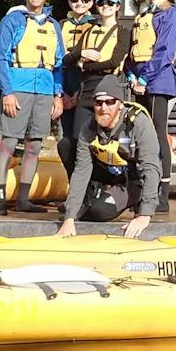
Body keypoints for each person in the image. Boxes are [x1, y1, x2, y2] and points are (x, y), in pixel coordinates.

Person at [0, 0, 63, 215]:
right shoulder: (12, 20)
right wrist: (7, 93)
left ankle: (23, 199)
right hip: (18, 88)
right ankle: (0, 200)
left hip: (44, 88)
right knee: (8, 143)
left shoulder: (54, 25)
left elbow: (59, 63)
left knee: (34, 145)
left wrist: (57, 94)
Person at [56, 75, 162, 239]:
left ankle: (129, 201)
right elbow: (81, 171)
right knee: (66, 145)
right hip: (108, 171)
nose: (103, 108)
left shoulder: (138, 122)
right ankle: (84, 201)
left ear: (119, 105)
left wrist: (145, 215)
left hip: (131, 180)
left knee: (99, 211)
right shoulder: (89, 127)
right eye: (98, 103)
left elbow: (151, 167)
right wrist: (69, 217)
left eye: (109, 102)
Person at [125, 0, 176, 213]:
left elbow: (163, 51)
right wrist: (130, 74)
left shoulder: (171, 14)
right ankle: (141, 191)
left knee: (157, 134)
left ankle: (162, 194)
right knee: (139, 137)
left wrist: (143, 78)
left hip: (157, 82)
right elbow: (132, 50)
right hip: (138, 82)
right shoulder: (143, 15)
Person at [58, 0, 129, 174]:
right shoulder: (89, 30)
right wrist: (81, 54)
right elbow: (67, 58)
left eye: (110, 3)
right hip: (87, 90)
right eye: (101, 3)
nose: (105, 6)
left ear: (117, 6)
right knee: (76, 141)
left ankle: (107, 183)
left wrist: (85, 65)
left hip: (108, 87)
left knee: (107, 141)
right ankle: (82, 188)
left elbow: (114, 61)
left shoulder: (122, 32)